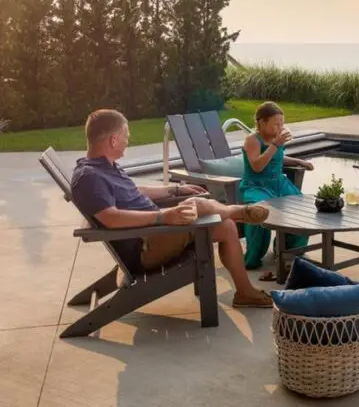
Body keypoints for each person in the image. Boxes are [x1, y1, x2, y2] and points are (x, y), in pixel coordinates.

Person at [71, 109, 274, 308]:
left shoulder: (103, 166)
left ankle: (245, 292)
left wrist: (174, 190)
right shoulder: (89, 177)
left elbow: (134, 191)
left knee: (226, 227)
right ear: (113, 140)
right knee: (195, 206)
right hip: (145, 245)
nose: (128, 140)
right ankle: (239, 211)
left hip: (154, 234)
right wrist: (163, 217)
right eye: (126, 135)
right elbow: (111, 218)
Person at [241, 101, 314, 281]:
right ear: (262, 122)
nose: (280, 127)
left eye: (282, 123)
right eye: (276, 123)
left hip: (279, 184)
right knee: (259, 211)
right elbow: (257, 165)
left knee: (302, 208)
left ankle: (287, 250)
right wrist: (276, 144)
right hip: (256, 185)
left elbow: (277, 158)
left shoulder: (276, 139)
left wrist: (298, 161)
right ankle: (254, 256)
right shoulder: (252, 140)